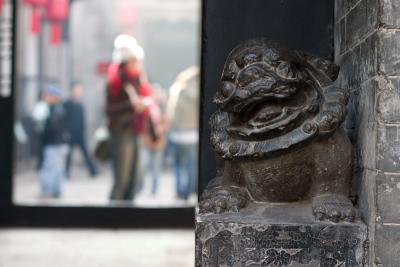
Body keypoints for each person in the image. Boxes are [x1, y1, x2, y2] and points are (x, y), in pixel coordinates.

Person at [106, 34, 151, 201]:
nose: (136, 65)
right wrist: (132, 106)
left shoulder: (137, 80)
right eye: (132, 61)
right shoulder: (115, 82)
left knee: (134, 179)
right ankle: (113, 214)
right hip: (121, 131)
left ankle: (129, 211)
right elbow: (110, 110)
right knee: (121, 180)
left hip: (136, 130)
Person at [167, 66, 199, 200]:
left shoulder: (176, 93)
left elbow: (170, 115)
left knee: (179, 165)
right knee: (191, 165)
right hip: (192, 135)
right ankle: (188, 191)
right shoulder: (196, 94)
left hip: (178, 134)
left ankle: (180, 191)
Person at [39, 85, 69, 198]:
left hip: (54, 144)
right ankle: (56, 191)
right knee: (57, 168)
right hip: (59, 143)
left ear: (54, 97)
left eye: (48, 95)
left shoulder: (55, 109)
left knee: (51, 167)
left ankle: (48, 191)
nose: (46, 97)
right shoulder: (57, 108)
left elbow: (52, 128)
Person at [64, 82, 98, 178]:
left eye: (79, 90)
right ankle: (65, 173)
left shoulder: (80, 105)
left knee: (86, 153)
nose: (78, 92)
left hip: (79, 133)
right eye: (76, 90)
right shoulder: (67, 104)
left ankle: (93, 170)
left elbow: (82, 120)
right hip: (70, 133)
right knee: (68, 155)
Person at [139, 87, 168, 195]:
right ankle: (140, 187)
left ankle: (154, 189)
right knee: (143, 165)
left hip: (158, 142)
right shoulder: (147, 107)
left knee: (156, 167)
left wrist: (161, 128)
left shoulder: (162, 108)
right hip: (146, 141)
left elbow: (166, 122)